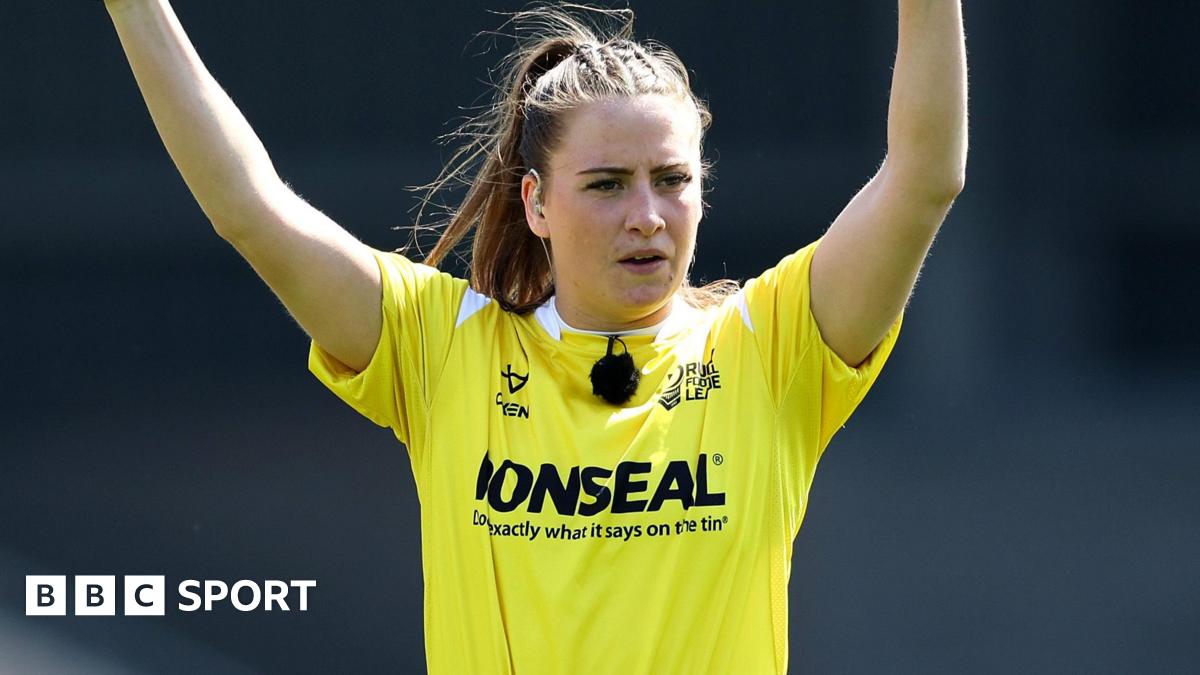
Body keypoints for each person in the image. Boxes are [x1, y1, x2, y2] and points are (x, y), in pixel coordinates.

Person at [102, 0, 966, 672]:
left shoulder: (771, 348)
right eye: (606, 184)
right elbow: (251, 207)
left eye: (672, 180)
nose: (647, 216)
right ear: (536, 204)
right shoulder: (442, 349)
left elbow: (925, 177)